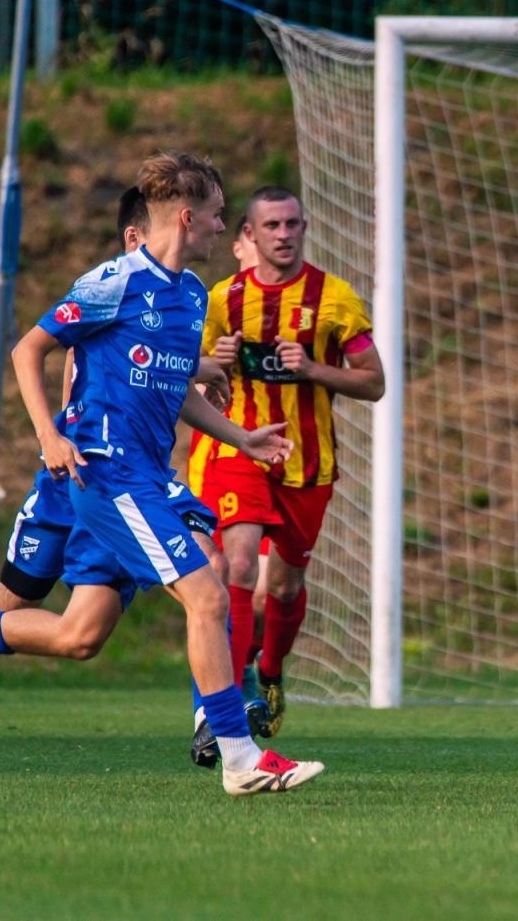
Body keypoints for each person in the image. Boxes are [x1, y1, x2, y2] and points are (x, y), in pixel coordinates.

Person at [0, 152, 324, 796]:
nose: (226, 230)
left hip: (147, 476)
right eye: (220, 217)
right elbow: (29, 349)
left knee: (82, 636)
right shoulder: (113, 282)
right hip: (106, 474)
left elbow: (168, 389)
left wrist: (241, 436)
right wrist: (49, 434)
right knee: (211, 590)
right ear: (188, 219)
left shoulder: (191, 294)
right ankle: (238, 752)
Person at [193, 186, 384, 738]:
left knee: (282, 587)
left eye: (292, 225)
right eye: (271, 226)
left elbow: (375, 383)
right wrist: (213, 362)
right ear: (248, 236)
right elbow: (184, 380)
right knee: (237, 566)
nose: (283, 235)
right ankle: (225, 706)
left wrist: (314, 370)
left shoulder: (334, 298)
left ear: (304, 228)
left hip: (307, 461)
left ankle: (271, 668)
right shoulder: (221, 300)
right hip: (237, 448)